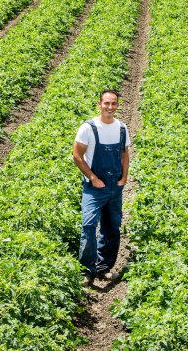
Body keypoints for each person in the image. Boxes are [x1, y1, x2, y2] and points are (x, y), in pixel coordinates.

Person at [73, 89, 130, 284]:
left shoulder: (121, 128)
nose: (110, 107)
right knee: (88, 225)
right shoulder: (88, 128)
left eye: (114, 103)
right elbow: (77, 156)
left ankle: (103, 267)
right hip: (94, 187)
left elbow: (124, 154)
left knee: (112, 227)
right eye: (106, 103)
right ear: (99, 104)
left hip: (115, 186)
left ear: (117, 105)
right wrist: (92, 177)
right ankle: (87, 270)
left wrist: (124, 178)